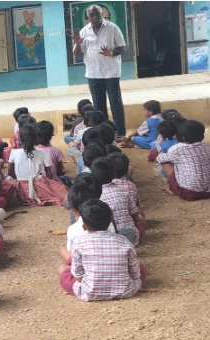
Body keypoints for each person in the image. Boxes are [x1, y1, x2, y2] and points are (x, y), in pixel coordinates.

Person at [57, 199, 145, 301]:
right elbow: (135, 274)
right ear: (111, 220)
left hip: (89, 292)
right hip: (126, 291)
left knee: (61, 268)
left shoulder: (79, 243)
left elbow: (78, 277)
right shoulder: (124, 242)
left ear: (84, 226)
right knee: (140, 265)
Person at [73, 4, 127, 138]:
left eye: (98, 14)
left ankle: (120, 131)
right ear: (88, 17)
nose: (95, 17)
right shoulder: (84, 32)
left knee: (115, 102)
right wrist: (78, 44)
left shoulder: (112, 28)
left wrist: (111, 53)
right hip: (93, 73)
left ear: (102, 14)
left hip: (111, 72)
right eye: (92, 15)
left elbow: (122, 47)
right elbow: (77, 55)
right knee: (98, 105)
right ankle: (104, 131)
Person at [156, 120, 210, 201]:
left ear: (182, 137)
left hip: (189, 193)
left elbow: (159, 159)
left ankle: (171, 187)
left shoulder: (178, 149)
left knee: (165, 161)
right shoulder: (207, 146)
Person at [8, 124, 69, 206]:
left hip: (22, 190)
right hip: (39, 184)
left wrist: (20, 179)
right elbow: (49, 175)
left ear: (20, 138)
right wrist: (47, 185)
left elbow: (10, 172)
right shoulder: (42, 154)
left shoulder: (14, 153)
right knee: (63, 189)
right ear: (36, 138)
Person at [64, 174, 116, 252]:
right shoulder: (106, 214)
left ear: (85, 227)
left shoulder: (73, 229)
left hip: (84, 260)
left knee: (63, 252)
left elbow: (71, 252)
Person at [36, 120, 70, 186]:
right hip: (53, 184)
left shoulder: (31, 150)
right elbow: (60, 172)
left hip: (37, 185)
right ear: (51, 135)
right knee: (66, 180)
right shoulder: (55, 151)